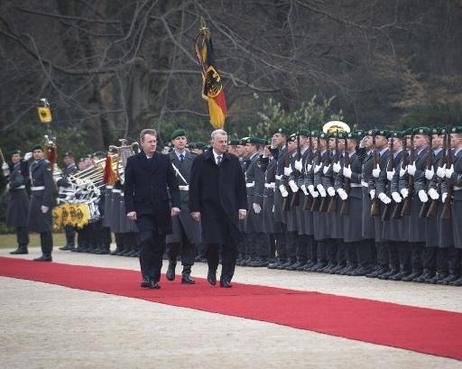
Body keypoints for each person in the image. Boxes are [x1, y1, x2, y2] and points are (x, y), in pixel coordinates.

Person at [189, 129, 247, 288]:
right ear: (212, 142)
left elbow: (240, 186)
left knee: (231, 244)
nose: (224, 144)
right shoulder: (201, 160)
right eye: (221, 141)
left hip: (230, 209)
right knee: (212, 243)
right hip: (209, 209)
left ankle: (226, 277)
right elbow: (194, 186)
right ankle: (212, 269)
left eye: (225, 141)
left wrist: (242, 207)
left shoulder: (233, 160)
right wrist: (194, 208)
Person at [124, 129, 181, 289]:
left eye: (155, 141)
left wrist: (175, 204)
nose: (153, 144)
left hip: (161, 208)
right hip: (142, 209)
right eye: (150, 141)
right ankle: (146, 275)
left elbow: (173, 185)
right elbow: (128, 188)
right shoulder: (133, 161)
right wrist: (130, 208)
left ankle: (154, 277)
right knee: (146, 239)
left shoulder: (164, 160)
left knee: (159, 244)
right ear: (142, 143)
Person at [165, 129, 201, 284]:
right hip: (173, 201)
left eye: (183, 138)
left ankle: (187, 271)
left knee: (190, 238)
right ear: (173, 142)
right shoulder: (166, 159)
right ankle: (172, 263)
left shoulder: (194, 158)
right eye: (177, 138)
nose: (181, 141)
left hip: (190, 201)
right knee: (173, 238)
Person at [27, 145, 55, 261]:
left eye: (39, 152)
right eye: (35, 152)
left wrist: (46, 203)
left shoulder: (45, 164)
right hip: (35, 197)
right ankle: (44, 252)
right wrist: (24, 161)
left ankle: (47, 254)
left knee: (45, 227)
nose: (37, 154)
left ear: (43, 153)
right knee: (40, 226)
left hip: (42, 198)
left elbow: (49, 186)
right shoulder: (33, 165)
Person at [6, 150, 30, 255]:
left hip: (20, 196)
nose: (15, 158)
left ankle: (23, 246)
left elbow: (19, 181)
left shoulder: (20, 167)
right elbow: (12, 179)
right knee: (18, 222)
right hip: (16, 196)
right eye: (13, 156)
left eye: (17, 156)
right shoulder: (15, 168)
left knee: (21, 222)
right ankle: (21, 245)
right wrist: (6, 173)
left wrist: (10, 185)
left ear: (20, 157)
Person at [57, 152, 78, 251]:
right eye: (64, 158)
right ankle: (68, 242)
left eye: (67, 158)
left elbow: (66, 182)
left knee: (69, 221)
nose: (65, 160)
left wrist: (59, 180)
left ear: (72, 158)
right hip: (64, 197)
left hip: (70, 198)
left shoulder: (74, 169)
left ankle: (71, 243)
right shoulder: (66, 169)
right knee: (66, 221)